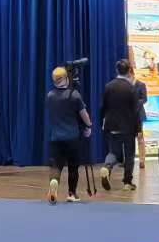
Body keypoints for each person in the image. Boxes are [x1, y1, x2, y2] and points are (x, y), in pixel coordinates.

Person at [44, 66, 90, 204]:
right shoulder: (74, 95)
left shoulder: (50, 96)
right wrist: (88, 126)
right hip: (72, 137)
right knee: (73, 166)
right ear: (65, 78)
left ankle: (54, 181)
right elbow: (84, 115)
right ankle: (72, 193)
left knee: (56, 165)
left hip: (56, 137)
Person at [100, 60, 142, 191]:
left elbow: (103, 107)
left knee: (113, 152)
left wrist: (102, 121)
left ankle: (107, 167)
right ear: (129, 71)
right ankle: (127, 182)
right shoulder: (131, 88)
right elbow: (135, 111)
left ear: (117, 70)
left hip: (112, 125)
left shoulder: (109, 86)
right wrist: (138, 128)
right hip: (128, 127)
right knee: (129, 155)